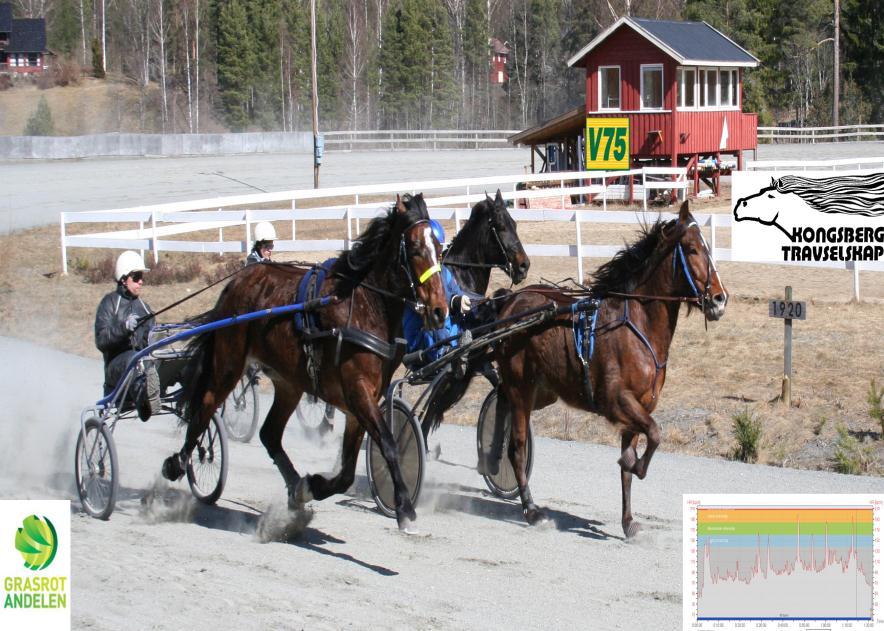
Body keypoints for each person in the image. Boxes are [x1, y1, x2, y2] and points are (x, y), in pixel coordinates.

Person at [402, 219, 480, 365]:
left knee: (478, 307)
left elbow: (456, 291)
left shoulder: (444, 272)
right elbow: (425, 300)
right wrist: (453, 301)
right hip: (424, 339)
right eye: (436, 250)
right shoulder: (416, 275)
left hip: (449, 332)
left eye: (439, 250)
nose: (439, 256)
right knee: (436, 314)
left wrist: (462, 299)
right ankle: (447, 352)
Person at [94, 251, 159, 421]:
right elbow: (101, 340)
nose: (141, 281)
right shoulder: (109, 303)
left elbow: (150, 342)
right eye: (136, 277)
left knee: (166, 356)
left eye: (142, 277)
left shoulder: (144, 308)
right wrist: (123, 327)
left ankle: (190, 398)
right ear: (124, 279)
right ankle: (144, 403)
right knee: (133, 358)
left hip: (140, 365)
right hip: (116, 368)